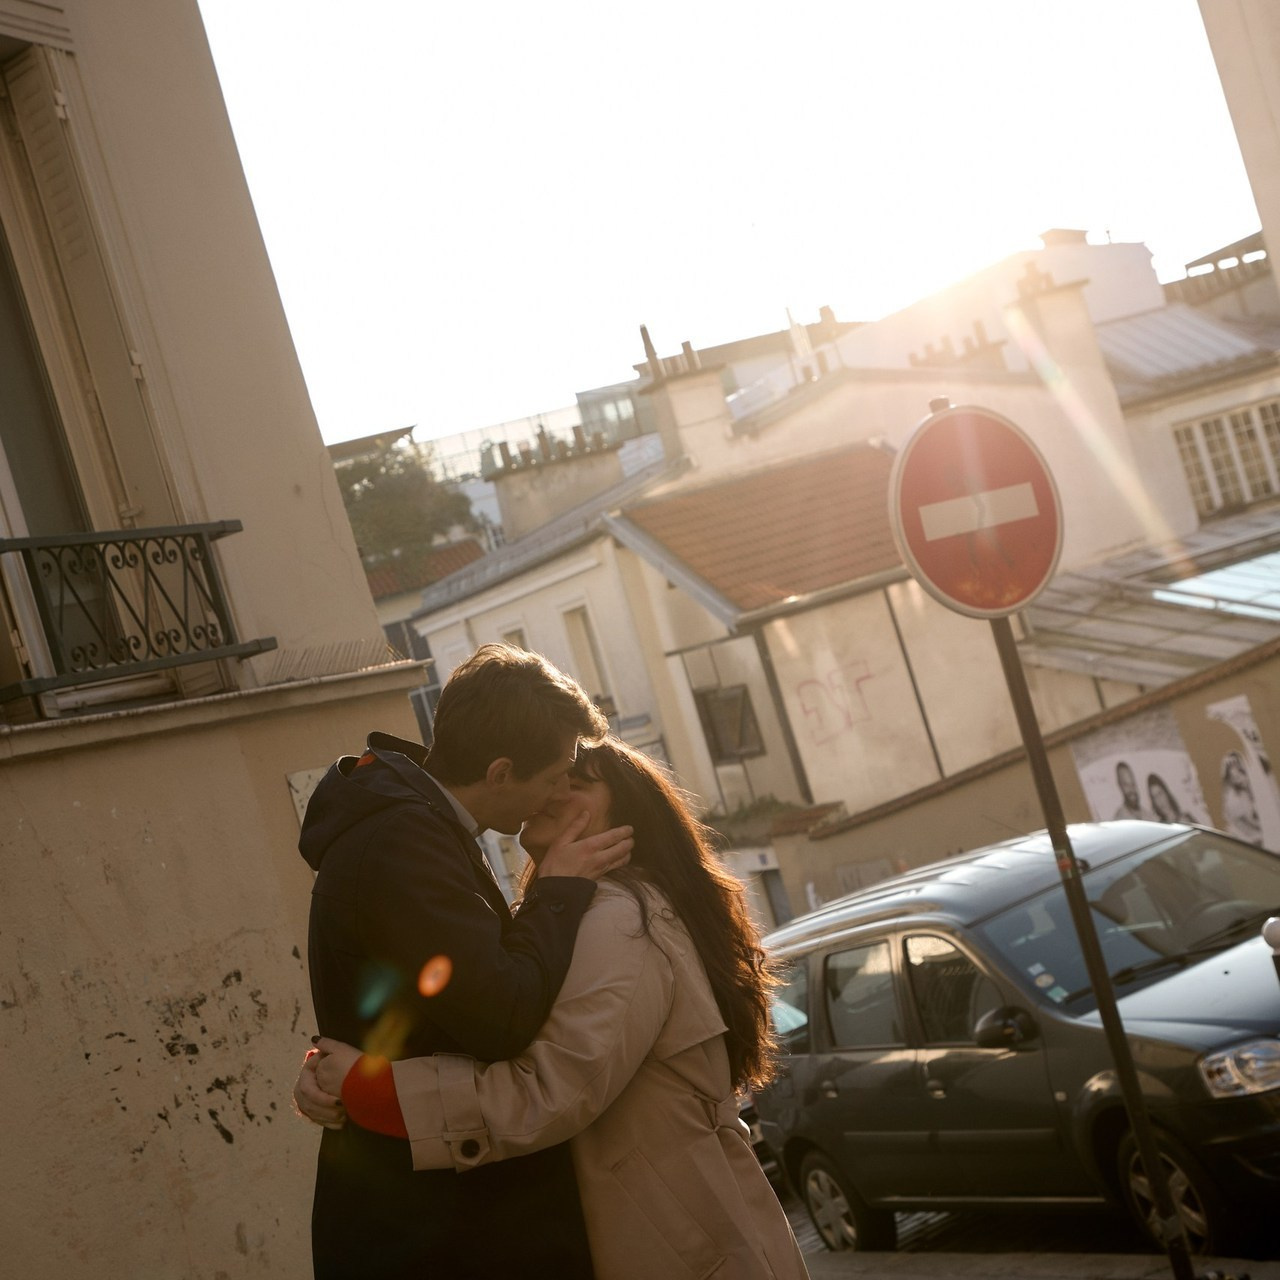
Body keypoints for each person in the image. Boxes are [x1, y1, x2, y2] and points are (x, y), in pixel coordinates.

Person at [297, 736, 809, 1280]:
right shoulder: (566, 914)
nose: (552, 790)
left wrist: (367, 1090)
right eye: (555, 775)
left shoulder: (622, 920)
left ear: (625, 822)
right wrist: (328, 1075)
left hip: (679, 1243)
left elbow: (548, 1091)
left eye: (577, 783)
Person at [300, 643, 634, 1279]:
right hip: (438, 1231)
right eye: (554, 775)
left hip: (439, 1212)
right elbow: (500, 1016)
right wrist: (558, 889)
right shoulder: (405, 842)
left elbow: (403, 999)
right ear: (502, 771)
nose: (561, 790)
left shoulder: (416, 828)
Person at [1220, 751, 1263, 845]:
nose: (1241, 779)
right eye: (1234, 777)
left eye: (1241, 773)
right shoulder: (1234, 799)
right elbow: (1250, 824)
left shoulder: (1253, 790)